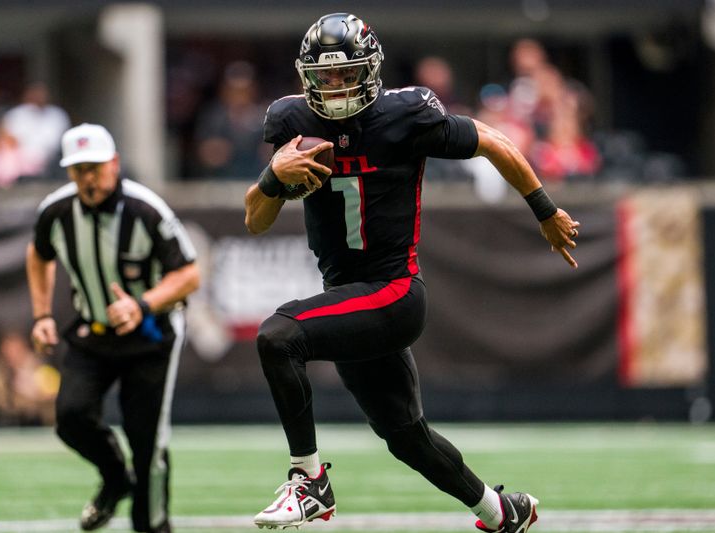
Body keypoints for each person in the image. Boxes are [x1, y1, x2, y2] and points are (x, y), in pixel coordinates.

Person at [244, 13, 580, 533]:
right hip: (350, 294)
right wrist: (272, 177)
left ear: (370, 69)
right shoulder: (293, 123)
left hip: (395, 292)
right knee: (406, 436)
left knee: (278, 335)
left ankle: (309, 482)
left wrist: (544, 210)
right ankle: (500, 512)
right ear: (306, 77)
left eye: (345, 73)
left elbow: (493, 141)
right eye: (324, 76)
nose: (334, 87)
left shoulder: (405, 115)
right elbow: (255, 220)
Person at [26, 123, 200, 533]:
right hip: (94, 332)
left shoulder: (146, 209)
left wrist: (143, 304)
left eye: (96, 167)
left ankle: (153, 525)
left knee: (147, 443)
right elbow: (38, 253)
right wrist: (42, 315)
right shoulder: (56, 211)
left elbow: (189, 274)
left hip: (151, 337)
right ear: (69, 172)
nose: (88, 178)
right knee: (70, 417)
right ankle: (116, 479)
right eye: (79, 168)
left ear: (115, 164)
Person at [0, 329, 59, 425]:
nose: (11, 354)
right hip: (4, 422)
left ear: (23, 347)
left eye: (15, 349)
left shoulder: (39, 367)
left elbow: (54, 394)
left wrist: (36, 393)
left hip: (36, 421)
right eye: (7, 350)